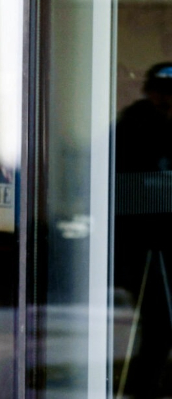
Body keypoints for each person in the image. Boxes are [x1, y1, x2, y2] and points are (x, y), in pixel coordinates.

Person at [114, 62, 172, 398]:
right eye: (162, 94)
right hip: (144, 240)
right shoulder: (135, 126)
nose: (166, 101)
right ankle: (142, 387)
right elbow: (128, 185)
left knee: (160, 323)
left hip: (157, 237)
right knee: (158, 322)